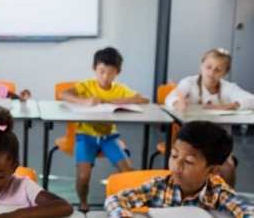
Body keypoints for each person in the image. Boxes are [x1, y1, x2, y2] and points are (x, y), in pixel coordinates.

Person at [58, 47, 149, 212]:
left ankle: (127, 203)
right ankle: (83, 202)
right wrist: (84, 101)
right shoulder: (87, 85)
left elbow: (144, 98)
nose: (105, 77)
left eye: (111, 73)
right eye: (102, 71)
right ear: (94, 69)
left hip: (109, 137)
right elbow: (63, 94)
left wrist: (122, 101)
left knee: (128, 170)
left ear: (118, 72)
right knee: (83, 175)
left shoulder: (118, 89)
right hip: (85, 136)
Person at [105, 121, 254, 218]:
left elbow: (247, 211)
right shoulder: (159, 187)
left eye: (189, 162)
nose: (176, 166)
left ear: (212, 170)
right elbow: (115, 200)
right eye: (174, 155)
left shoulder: (218, 193)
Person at [165, 48, 254, 187]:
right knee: (190, 165)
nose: (211, 73)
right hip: (191, 141)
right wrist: (177, 103)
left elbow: (251, 99)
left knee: (228, 166)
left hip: (218, 141)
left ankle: (225, 198)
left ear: (225, 72)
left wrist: (230, 105)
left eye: (218, 70)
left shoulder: (228, 88)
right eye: (208, 67)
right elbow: (170, 98)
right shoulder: (189, 83)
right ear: (201, 65)